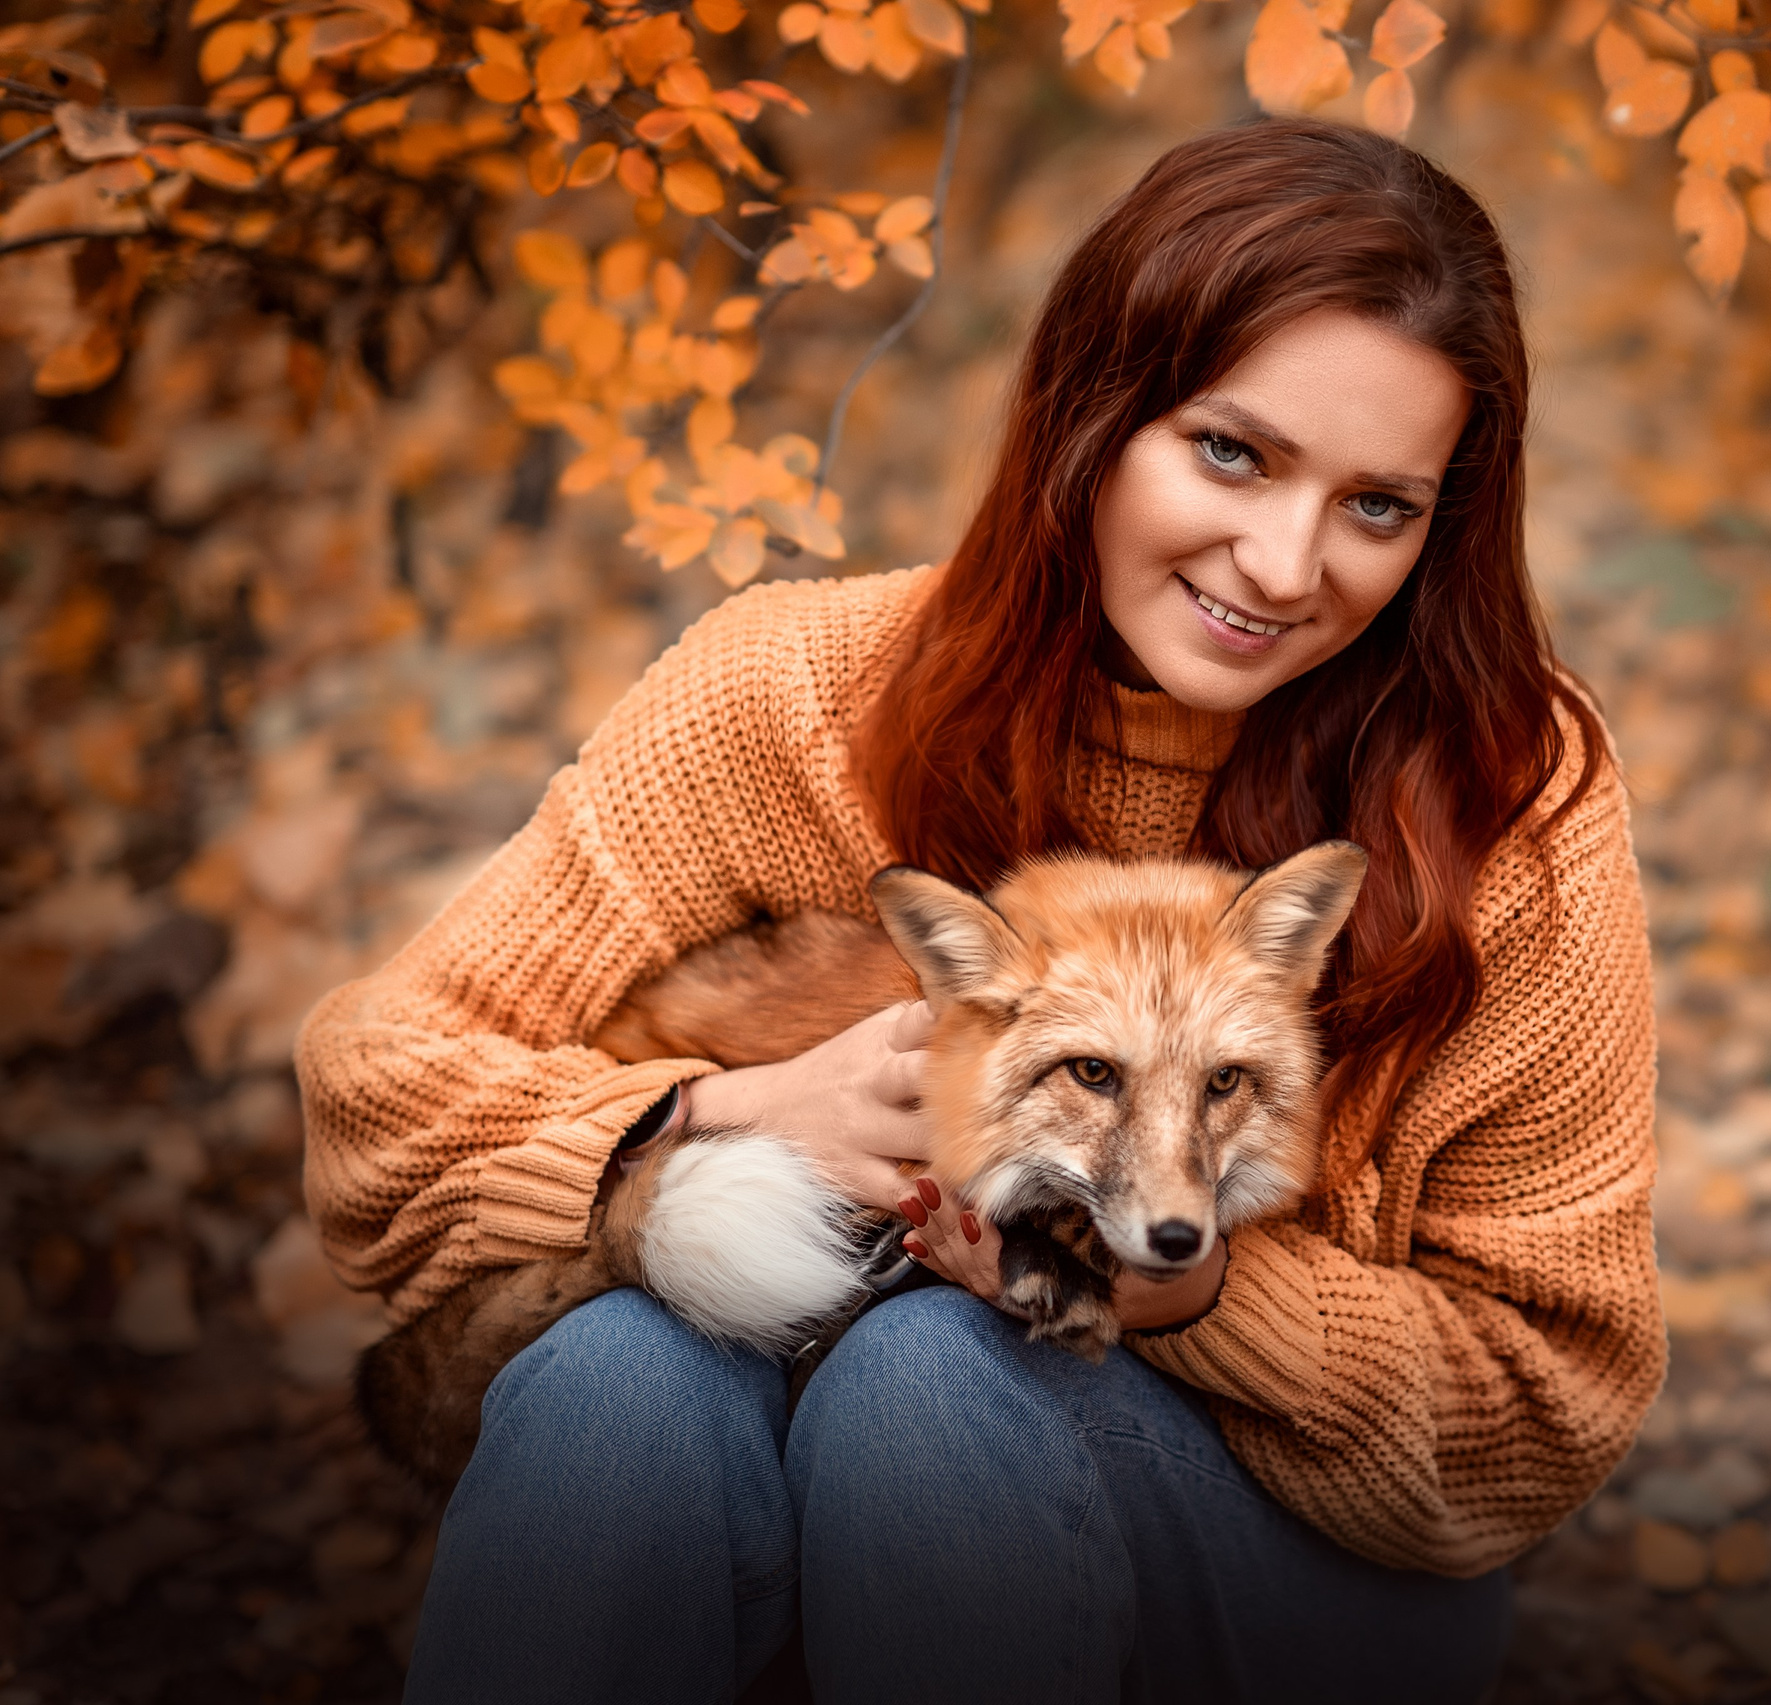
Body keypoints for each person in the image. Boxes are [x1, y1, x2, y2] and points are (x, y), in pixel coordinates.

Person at [297, 115, 1664, 1705]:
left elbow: (1544, 1406)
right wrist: (738, 1111)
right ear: (1091, 419)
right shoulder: (792, 692)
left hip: (1273, 1563)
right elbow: (380, 1089)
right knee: (615, 1375)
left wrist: (1200, 1291)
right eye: (1232, 450)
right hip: (765, 1454)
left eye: (1380, 505)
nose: (1287, 564)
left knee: (937, 1372)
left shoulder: (1510, 794)